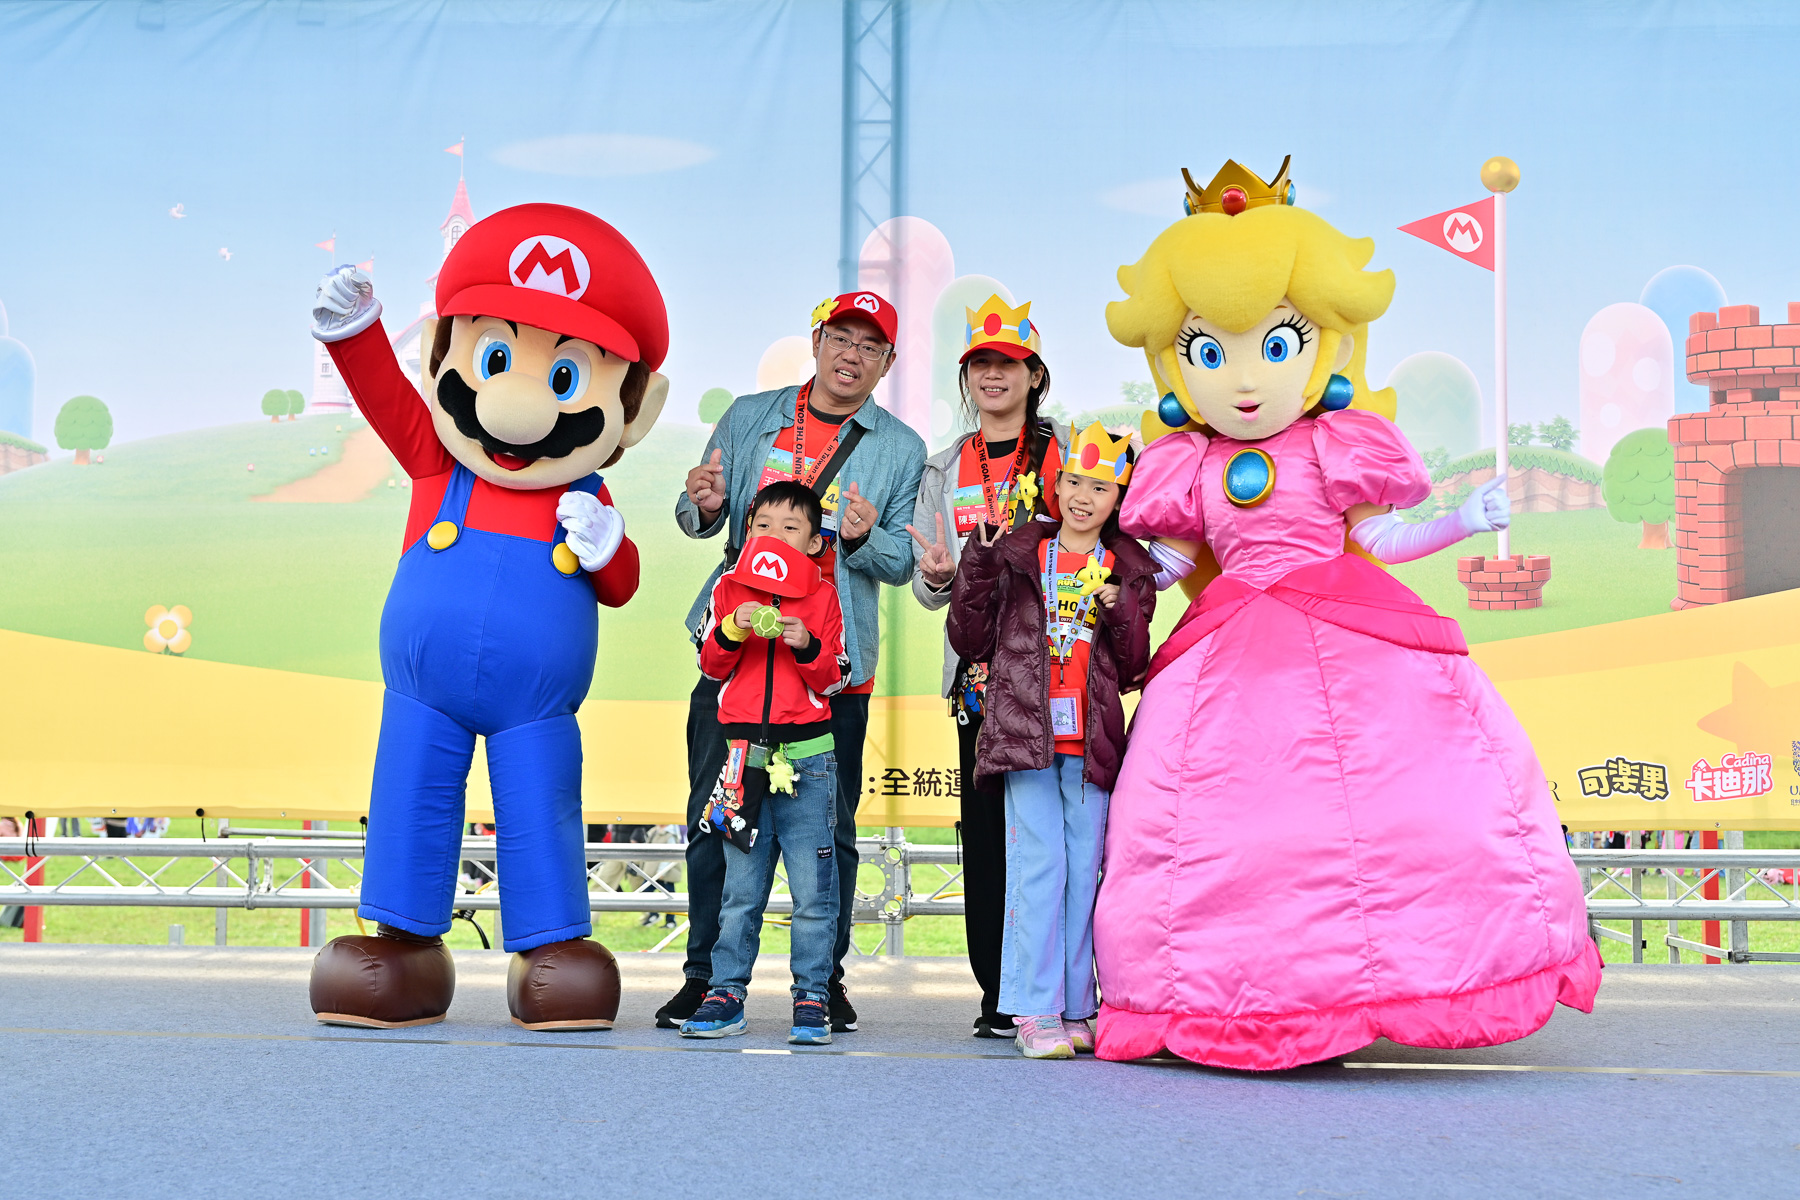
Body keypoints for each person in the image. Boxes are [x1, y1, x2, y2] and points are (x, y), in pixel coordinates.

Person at [1091, 158, 1599, 1070]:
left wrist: (1461, 520)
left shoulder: (1334, 447)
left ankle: (1413, 978)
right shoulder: (1190, 466)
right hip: (1227, 647)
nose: (1244, 377)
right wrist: (1100, 576)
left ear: (1320, 344)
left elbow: (1386, 538)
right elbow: (1165, 565)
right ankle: (1237, 994)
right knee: (1214, 821)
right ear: (1178, 362)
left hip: (1350, 624)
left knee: (1416, 793)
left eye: (1274, 344)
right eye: (1210, 351)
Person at [664, 291, 926, 1033]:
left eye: (869, 346)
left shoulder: (900, 448)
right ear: (816, 341)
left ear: (887, 363)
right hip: (737, 661)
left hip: (831, 669)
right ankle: (704, 978)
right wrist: (704, 503)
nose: (851, 355)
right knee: (717, 815)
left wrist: (867, 537)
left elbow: (902, 562)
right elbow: (700, 516)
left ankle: (822, 983)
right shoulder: (752, 417)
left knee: (830, 832)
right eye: (841, 337)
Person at [946, 422, 1156, 1059]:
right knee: (1039, 870)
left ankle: (1077, 1007)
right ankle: (1034, 1011)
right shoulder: (1017, 554)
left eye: (1101, 487)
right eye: (1075, 483)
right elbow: (968, 638)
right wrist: (978, 563)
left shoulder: (1129, 569)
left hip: (1090, 744)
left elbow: (1135, 666)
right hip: (1026, 735)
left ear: (1118, 499)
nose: (1085, 497)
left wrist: (1120, 609)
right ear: (1055, 486)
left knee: (1084, 875)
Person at [907, 294, 1067, 1040]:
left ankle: (1061, 988)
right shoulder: (944, 470)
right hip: (979, 675)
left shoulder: (1071, 453)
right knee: (986, 833)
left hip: (1059, 666)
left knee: (1057, 830)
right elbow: (927, 588)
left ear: (1035, 375)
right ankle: (999, 992)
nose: (992, 376)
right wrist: (940, 575)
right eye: (980, 365)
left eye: (1008, 363)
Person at [679, 481, 849, 1045]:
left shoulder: (825, 596)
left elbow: (836, 678)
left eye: (791, 527)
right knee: (740, 890)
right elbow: (711, 665)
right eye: (763, 525)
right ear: (747, 530)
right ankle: (726, 993)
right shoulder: (728, 587)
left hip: (809, 760)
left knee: (813, 892)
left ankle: (812, 996)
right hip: (741, 761)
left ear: (815, 542)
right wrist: (731, 628)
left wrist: (807, 646)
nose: (774, 535)